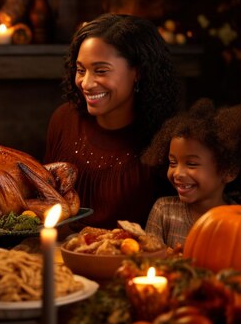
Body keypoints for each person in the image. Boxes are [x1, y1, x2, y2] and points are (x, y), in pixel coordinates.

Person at [44, 13, 180, 229]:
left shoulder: (168, 137)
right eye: (81, 70)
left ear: (138, 72)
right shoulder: (64, 120)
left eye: (101, 71)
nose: (86, 83)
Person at [142, 98, 241, 248]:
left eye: (191, 164)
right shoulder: (164, 211)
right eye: (173, 163)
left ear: (229, 171)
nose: (177, 173)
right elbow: (146, 261)